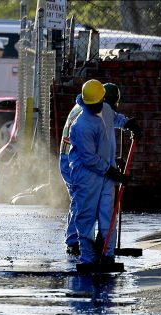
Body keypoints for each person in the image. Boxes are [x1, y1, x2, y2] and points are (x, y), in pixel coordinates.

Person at [67, 79, 141, 268]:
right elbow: (90, 159)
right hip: (87, 177)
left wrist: (128, 123)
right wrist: (113, 172)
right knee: (86, 216)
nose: (96, 107)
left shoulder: (105, 110)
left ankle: (107, 256)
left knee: (108, 215)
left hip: (106, 175)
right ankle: (88, 258)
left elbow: (115, 118)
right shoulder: (81, 125)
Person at [59, 82, 129, 256]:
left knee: (92, 203)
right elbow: (88, 153)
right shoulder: (83, 117)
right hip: (73, 161)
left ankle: (93, 245)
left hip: (85, 160)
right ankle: (74, 242)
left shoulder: (94, 108)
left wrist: (111, 159)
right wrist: (110, 168)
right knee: (80, 200)